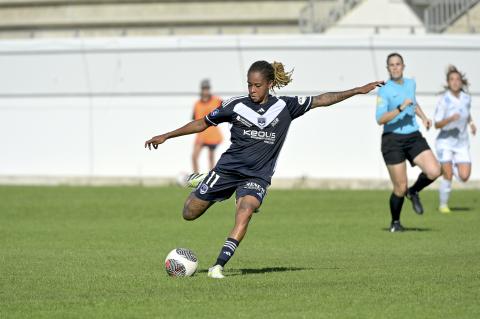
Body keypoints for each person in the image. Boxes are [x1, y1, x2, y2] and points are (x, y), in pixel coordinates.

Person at [146, 60, 383, 278]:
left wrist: (356, 90)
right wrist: (167, 135)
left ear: (270, 84)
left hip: (257, 176)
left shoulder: (285, 106)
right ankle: (206, 179)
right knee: (189, 213)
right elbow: (202, 123)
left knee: (246, 209)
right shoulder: (235, 105)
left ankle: (218, 266)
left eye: (257, 85)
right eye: (249, 85)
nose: (252, 90)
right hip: (228, 170)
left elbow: (322, 99)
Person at [376, 53, 441, 233]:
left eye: (398, 64)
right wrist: (400, 108)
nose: (395, 67)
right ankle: (395, 222)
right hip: (392, 139)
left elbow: (413, 102)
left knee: (435, 170)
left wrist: (424, 117)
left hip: (413, 136)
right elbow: (380, 119)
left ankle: (413, 192)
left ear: (403, 66)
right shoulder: (384, 90)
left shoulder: (411, 83)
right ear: (387, 68)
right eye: (391, 65)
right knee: (400, 186)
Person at [434, 65, 476, 213]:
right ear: (448, 82)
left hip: (461, 143)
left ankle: (449, 167)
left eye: (458, 79)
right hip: (445, 142)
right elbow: (437, 124)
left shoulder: (466, 97)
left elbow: (466, 113)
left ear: (461, 82)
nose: (455, 82)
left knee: (464, 176)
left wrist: (471, 123)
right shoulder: (443, 100)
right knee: (448, 175)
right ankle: (443, 205)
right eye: (452, 79)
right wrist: (450, 119)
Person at [191, 79, 223, 173]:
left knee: (210, 157)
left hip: (212, 134)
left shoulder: (217, 101)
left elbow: (227, 108)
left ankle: (211, 178)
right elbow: (194, 118)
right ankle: (195, 177)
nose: (205, 91)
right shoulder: (197, 104)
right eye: (204, 89)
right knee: (194, 156)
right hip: (201, 134)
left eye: (207, 89)